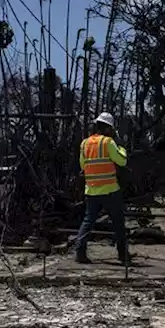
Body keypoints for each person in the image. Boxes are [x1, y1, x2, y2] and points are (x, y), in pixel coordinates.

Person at [72, 112, 129, 265]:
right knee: (118, 222)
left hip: (91, 190)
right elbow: (122, 161)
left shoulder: (84, 143)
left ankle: (80, 252)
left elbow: (83, 165)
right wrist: (121, 148)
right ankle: (123, 255)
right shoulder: (108, 142)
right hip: (110, 190)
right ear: (109, 128)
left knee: (88, 221)